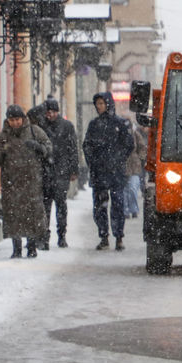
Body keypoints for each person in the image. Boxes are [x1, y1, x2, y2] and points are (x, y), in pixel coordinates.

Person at [0, 104, 53, 259]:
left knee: (32, 213)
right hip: (11, 183)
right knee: (13, 215)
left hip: (32, 182)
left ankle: (32, 245)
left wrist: (39, 147)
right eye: (12, 120)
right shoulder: (3, 137)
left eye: (17, 119)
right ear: (8, 120)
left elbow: (49, 148)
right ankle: (16, 248)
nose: (15, 123)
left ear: (23, 119)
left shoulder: (35, 131)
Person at [83, 91, 134, 251]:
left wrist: (118, 159)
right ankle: (104, 236)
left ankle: (119, 236)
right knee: (99, 206)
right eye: (97, 104)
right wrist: (93, 161)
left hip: (116, 172)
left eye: (102, 103)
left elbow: (129, 144)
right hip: (99, 172)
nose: (99, 107)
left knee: (118, 204)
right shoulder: (94, 125)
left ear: (108, 104)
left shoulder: (120, 124)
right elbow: (87, 145)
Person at [37, 97, 79, 249]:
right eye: (48, 112)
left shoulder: (66, 126)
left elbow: (73, 148)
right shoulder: (40, 125)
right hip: (46, 172)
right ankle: (44, 237)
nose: (51, 115)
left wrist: (73, 169)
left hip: (61, 171)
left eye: (53, 111)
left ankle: (62, 235)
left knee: (61, 205)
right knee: (45, 207)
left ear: (58, 112)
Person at [123, 115, 147, 218]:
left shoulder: (135, 134)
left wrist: (140, 158)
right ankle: (125, 211)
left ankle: (133, 209)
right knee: (124, 191)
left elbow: (142, 147)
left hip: (134, 167)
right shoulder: (119, 135)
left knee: (133, 188)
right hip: (122, 167)